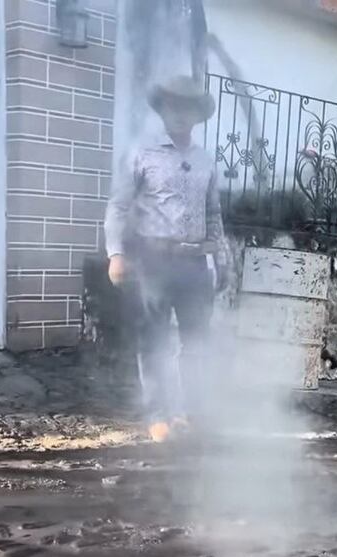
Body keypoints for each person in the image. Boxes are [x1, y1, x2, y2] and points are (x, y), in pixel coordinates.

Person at [104, 75, 229, 443]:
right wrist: (116, 254)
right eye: (173, 105)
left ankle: (188, 414)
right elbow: (118, 206)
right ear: (162, 109)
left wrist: (221, 260)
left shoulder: (205, 161)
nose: (179, 113)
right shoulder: (142, 154)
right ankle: (158, 415)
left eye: (187, 107)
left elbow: (213, 215)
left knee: (196, 343)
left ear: (197, 114)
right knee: (154, 341)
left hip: (195, 266)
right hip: (154, 263)